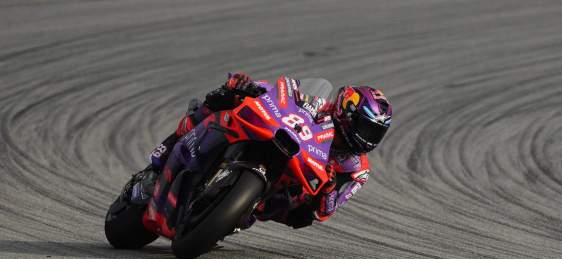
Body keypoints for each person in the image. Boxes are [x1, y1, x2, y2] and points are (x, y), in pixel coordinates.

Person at [136, 73, 392, 230]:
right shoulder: (320, 105)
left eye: (375, 134)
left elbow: (325, 212)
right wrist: (248, 86)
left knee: (298, 215)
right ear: (346, 112)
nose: (368, 139)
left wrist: (328, 188)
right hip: (276, 139)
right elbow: (282, 96)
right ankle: (157, 164)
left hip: (286, 191)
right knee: (224, 100)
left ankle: (230, 213)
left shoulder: (357, 170)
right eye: (365, 128)